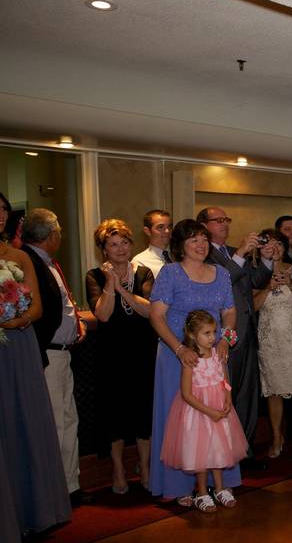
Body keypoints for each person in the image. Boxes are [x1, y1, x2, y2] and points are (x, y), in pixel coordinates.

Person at [0, 198, 71, 543]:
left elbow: (38, 307)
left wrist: (14, 320)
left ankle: (34, 509)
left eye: (0, 208)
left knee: (29, 424)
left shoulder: (18, 255)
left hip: (20, 344)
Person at [149, 219, 239, 504]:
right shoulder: (171, 273)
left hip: (212, 356)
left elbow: (230, 313)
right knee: (181, 423)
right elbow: (156, 315)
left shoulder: (221, 273)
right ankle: (181, 485)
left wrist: (226, 340)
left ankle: (219, 483)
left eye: (203, 239)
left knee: (217, 417)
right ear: (181, 246)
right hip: (178, 357)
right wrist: (178, 349)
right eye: (193, 240)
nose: (201, 245)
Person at [21, 208, 93, 505]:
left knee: (68, 419)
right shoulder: (27, 263)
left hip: (64, 354)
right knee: (55, 423)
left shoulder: (47, 262)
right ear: (51, 235)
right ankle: (55, 490)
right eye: (59, 232)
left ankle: (70, 485)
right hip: (46, 356)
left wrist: (76, 326)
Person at [198, 206, 276, 458]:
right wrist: (242, 252)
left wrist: (265, 257)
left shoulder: (231, 252)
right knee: (226, 395)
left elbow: (256, 280)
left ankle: (245, 449)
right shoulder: (203, 256)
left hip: (247, 331)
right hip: (222, 336)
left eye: (226, 220)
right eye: (217, 220)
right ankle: (226, 452)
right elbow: (219, 282)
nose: (224, 224)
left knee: (247, 394)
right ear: (204, 226)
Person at [84, 219, 155, 493]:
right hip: (111, 355)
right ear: (104, 249)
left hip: (142, 351)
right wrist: (110, 284)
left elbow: (148, 311)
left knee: (143, 413)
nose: (121, 248)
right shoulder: (95, 275)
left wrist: (123, 287)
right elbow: (102, 314)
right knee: (113, 415)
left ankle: (145, 468)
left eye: (125, 242)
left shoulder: (144, 272)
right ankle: (118, 469)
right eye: (113, 244)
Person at [160, 310, 247, 512]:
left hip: (219, 410)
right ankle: (201, 492)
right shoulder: (190, 360)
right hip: (199, 412)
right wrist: (208, 411)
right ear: (192, 335)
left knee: (218, 449)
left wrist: (227, 399)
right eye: (207, 333)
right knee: (200, 453)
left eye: (214, 332)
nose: (213, 338)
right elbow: (186, 394)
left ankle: (219, 488)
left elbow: (224, 380)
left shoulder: (218, 354)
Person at [253, 229, 292, 459]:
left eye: (279, 243)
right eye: (269, 244)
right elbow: (253, 306)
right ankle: (277, 437)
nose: (275, 248)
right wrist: (268, 287)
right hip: (270, 339)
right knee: (273, 391)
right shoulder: (257, 273)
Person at [132, 209, 173, 278]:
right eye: (160, 227)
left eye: (169, 227)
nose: (167, 231)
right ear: (147, 231)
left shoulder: (180, 255)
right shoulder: (140, 262)